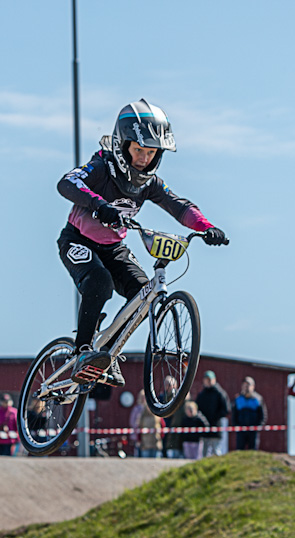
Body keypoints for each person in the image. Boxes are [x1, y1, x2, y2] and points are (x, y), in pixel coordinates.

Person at [57, 99, 228, 386]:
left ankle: (106, 356)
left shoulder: (149, 183)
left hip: (113, 248)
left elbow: (179, 206)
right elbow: (67, 182)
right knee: (100, 281)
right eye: (138, 150)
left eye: (151, 152)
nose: (144, 158)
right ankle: (82, 350)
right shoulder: (102, 165)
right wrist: (98, 205)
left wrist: (207, 228)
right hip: (78, 240)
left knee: (141, 294)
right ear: (123, 145)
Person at [195, 370, 231, 457]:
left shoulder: (220, 393)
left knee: (216, 452)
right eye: (206, 379)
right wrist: (203, 420)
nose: (208, 381)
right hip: (204, 428)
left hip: (216, 427)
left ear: (214, 379)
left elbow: (226, 409)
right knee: (204, 453)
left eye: (210, 379)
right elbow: (197, 409)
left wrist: (215, 418)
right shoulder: (202, 394)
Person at [233, 376, 267, 451]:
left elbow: (263, 415)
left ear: (253, 386)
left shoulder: (258, 399)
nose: (246, 387)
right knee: (239, 451)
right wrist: (236, 425)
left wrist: (259, 426)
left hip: (253, 430)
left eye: (248, 385)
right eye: (244, 385)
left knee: (253, 451)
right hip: (241, 429)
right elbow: (234, 414)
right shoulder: (238, 399)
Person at [160, 376, 185, 459]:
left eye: (170, 384)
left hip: (177, 424)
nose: (168, 386)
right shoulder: (161, 397)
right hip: (165, 424)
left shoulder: (179, 397)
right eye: (166, 384)